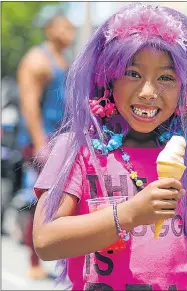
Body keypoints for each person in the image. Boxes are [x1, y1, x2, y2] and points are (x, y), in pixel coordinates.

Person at [32, 3, 187, 290]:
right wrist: (129, 214)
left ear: (185, 87)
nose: (148, 93)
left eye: (166, 77)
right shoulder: (78, 148)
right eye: (133, 73)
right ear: (107, 77)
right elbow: (45, 240)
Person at [16, 13, 75, 280]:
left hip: (62, 141)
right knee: (37, 198)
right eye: (64, 26)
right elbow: (29, 105)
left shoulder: (64, 59)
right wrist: (41, 144)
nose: (70, 31)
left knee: (64, 199)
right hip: (41, 142)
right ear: (50, 29)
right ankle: (33, 262)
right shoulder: (37, 60)